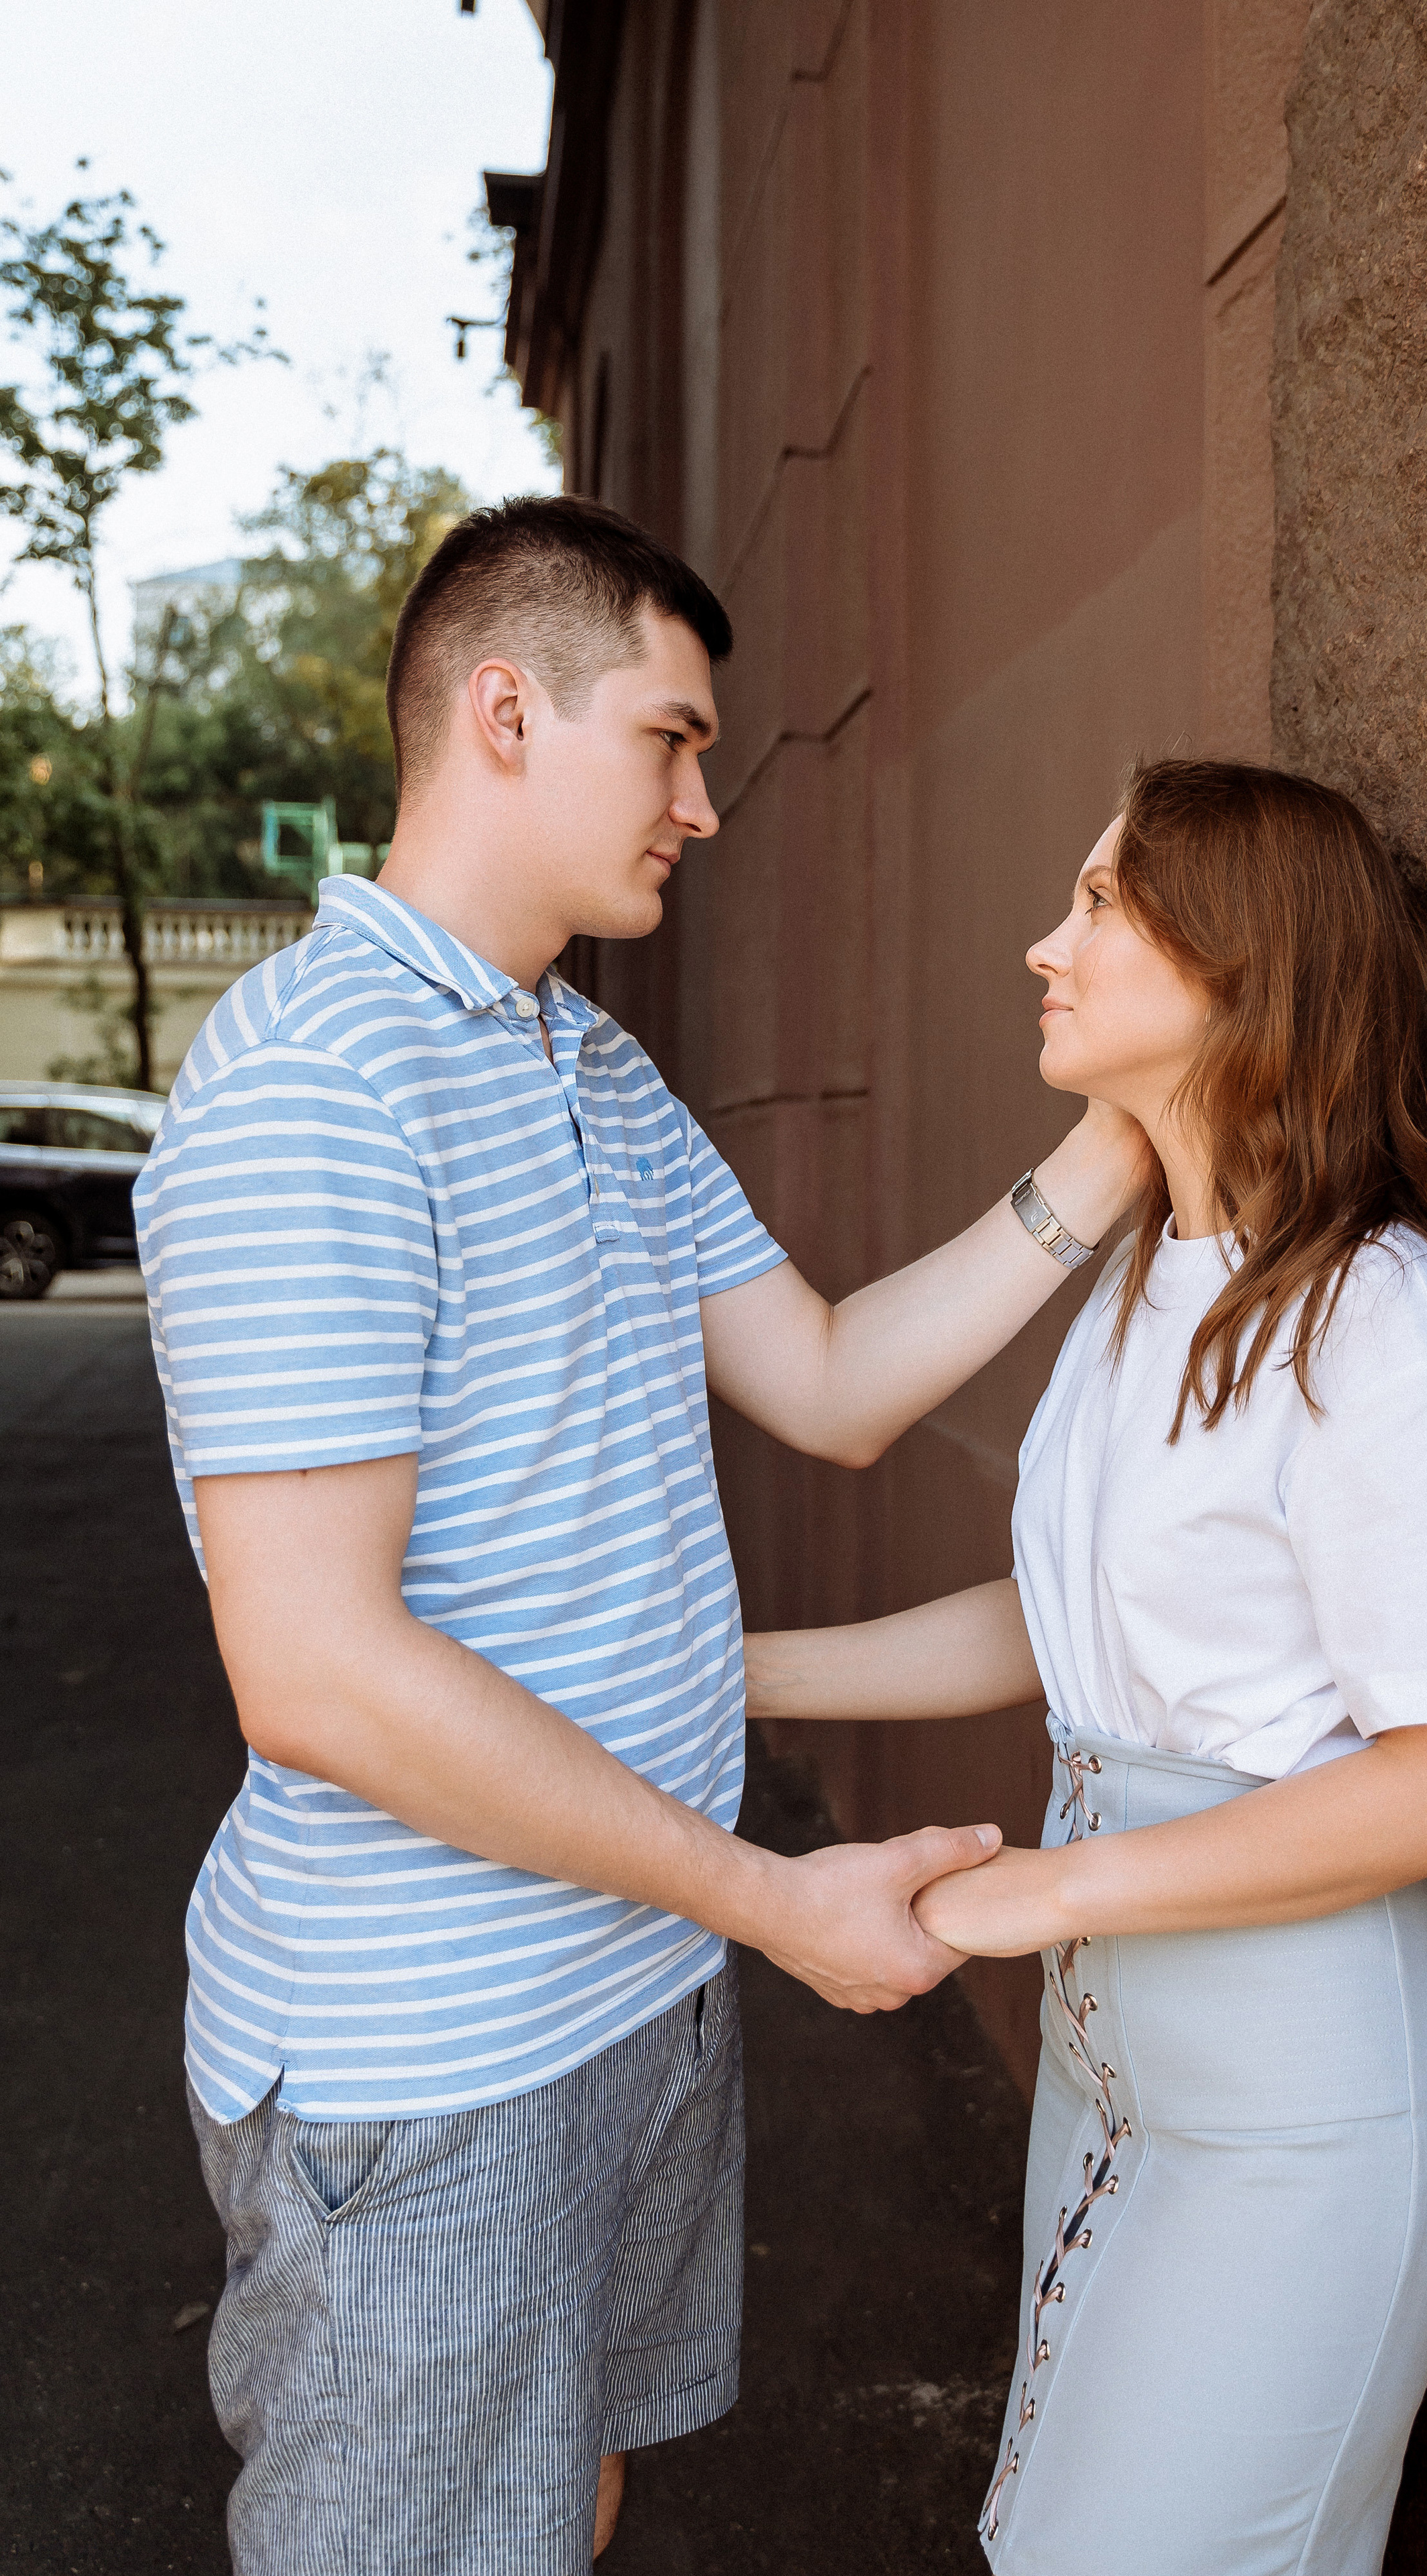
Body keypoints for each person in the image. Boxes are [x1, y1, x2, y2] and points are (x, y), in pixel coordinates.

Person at [133, 494, 1143, 2575]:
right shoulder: (311, 1086)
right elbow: (313, 1674)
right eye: (669, 741)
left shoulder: (588, 1065)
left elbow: (843, 1382)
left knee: (570, 2500)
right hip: (429, 2065)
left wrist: (1120, 1145)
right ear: (505, 711)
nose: (704, 801)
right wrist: (770, 1900)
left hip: (629, 1995)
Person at [745, 758, 1427, 2576]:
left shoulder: (1382, 1324)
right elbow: (1081, 1629)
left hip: (1304, 2097)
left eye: (1102, 905)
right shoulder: (1142, 1286)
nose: (1049, 943)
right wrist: (732, 1676)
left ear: (1239, 964)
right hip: (1118, 2065)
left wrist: (1046, 1893)